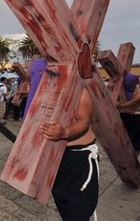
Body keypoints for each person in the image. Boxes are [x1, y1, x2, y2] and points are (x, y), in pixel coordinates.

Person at [40, 89, 98, 220]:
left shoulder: (80, 90)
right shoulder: (45, 87)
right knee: (65, 208)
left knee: (78, 213)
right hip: (56, 158)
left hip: (79, 159)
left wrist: (65, 132)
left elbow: (84, 120)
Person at [116, 74, 140, 153]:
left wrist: (120, 105)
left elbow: (133, 102)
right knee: (124, 139)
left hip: (134, 116)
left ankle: (135, 156)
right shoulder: (121, 90)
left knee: (135, 141)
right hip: (123, 116)